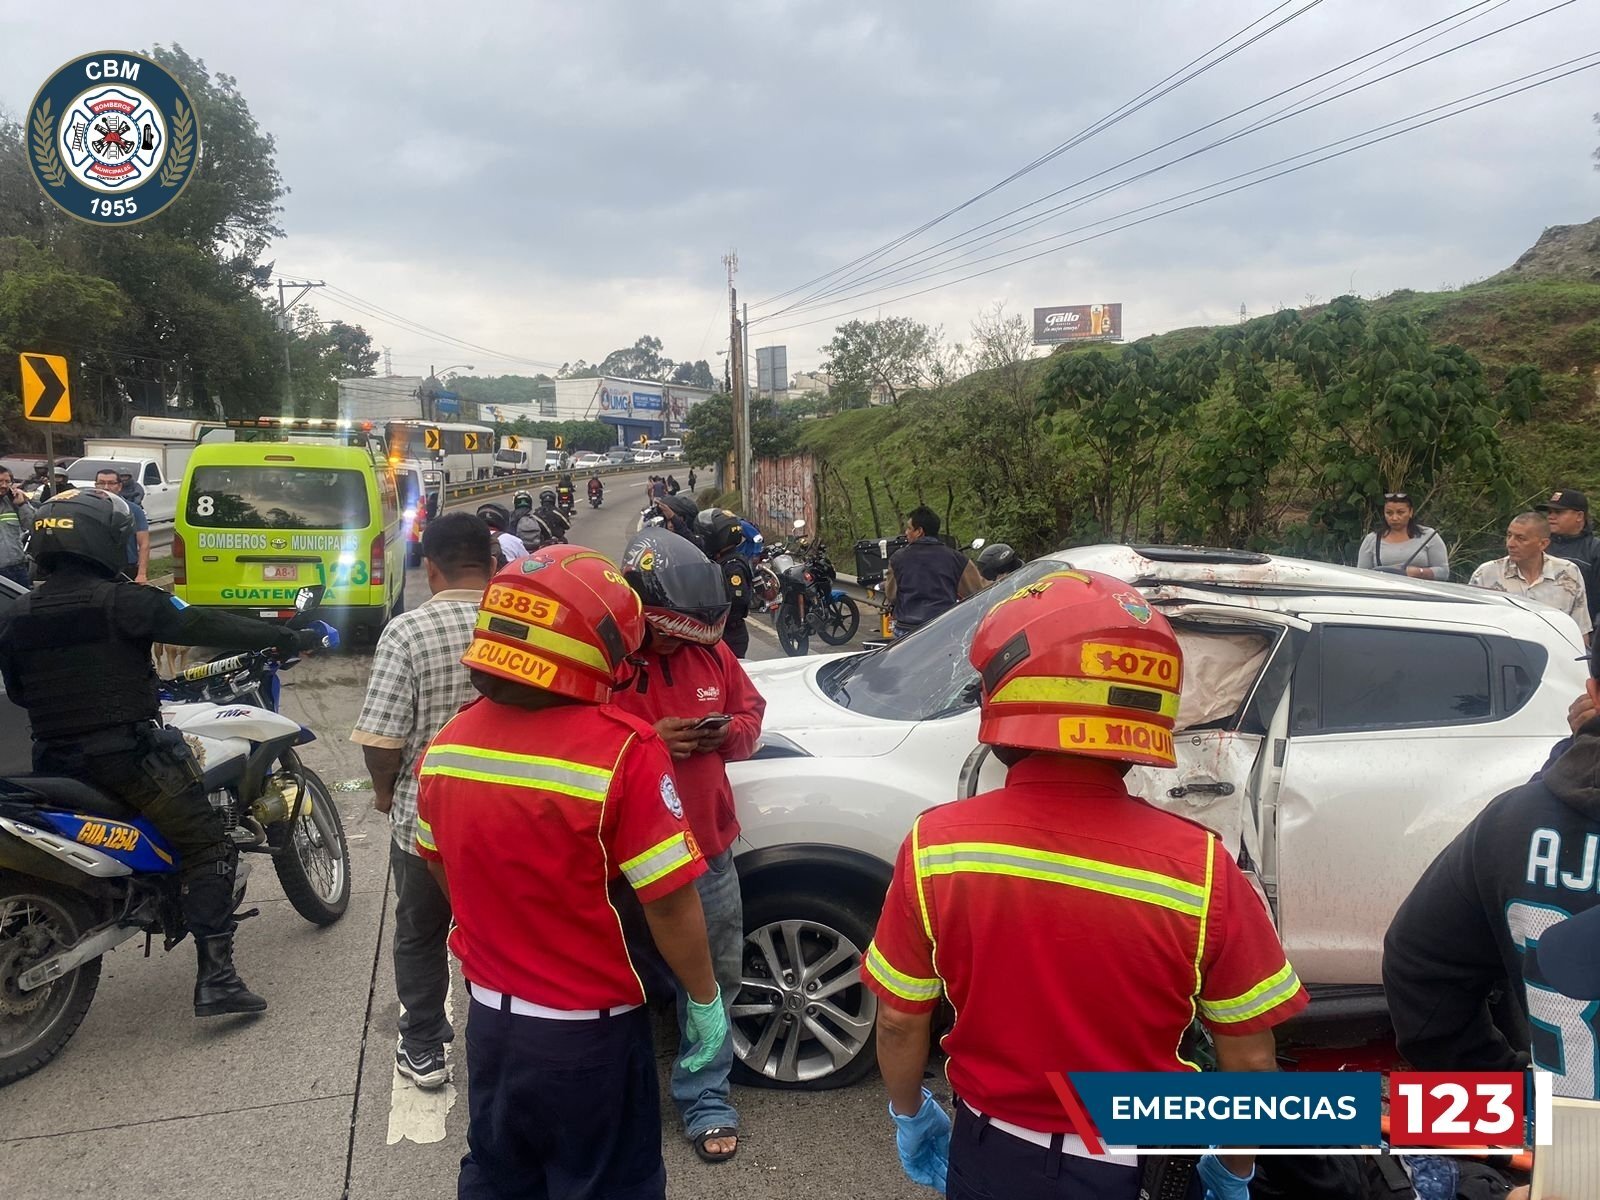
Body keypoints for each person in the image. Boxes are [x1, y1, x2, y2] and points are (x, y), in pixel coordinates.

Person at [864, 569, 1308, 1198]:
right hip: (1135, 1164)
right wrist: (1233, 1167)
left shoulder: (938, 847)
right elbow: (1251, 1057)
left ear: (1005, 700)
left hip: (990, 1153)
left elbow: (899, 1021)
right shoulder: (1203, 869)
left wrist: (910, 1116)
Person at [415, 544, 726, 1199]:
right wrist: (703, 1000)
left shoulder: (446, 748)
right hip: (591, 1037)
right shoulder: (626, 753)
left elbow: (442, 869)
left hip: (492, 1026)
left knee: (502, 1177)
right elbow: (669, 903)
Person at [0, 488, 325, 1016]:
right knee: (209, 845)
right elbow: (204, 625)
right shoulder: (126, 602)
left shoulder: (19, 612)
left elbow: (18, 691)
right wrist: (285, 638)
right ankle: (218, 979)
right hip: (127, 758)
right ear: (106, 541)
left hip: (54, 761)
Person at [613, 529, 765, 1165]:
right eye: (670, 632)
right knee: (617, 983)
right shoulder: (609, 663)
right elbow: (572, 734)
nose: (679, 644)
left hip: (706, 851)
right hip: (621, 861)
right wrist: (650, 740)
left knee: (713, 978)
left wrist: (726, 731)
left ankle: (705, 1094)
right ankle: (612, 1095)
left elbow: (753, 717)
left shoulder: (714, 658)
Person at [352, 512, 492, 1091]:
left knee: (420, 934)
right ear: (491, 565)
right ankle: (499, 1042)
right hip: (507, 818)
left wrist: (386, 792)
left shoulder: (407, 632)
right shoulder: (516, 623)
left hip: (425, 822)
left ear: (430, 568)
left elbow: (383, 739)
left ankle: (425, 1049)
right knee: (499, 936)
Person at [1469, 512, 1592, 644]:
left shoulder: (1568, 573)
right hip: (1501, 656)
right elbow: (1470, 624)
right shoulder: (1487, 574)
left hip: (1554, 657)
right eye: (1509, 535)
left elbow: (1580, 631)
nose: (1510, 544)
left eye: (1521, 538)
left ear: (1543, 544)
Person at [884, 505, 982, 636]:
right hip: (942, 629)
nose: (906, 532)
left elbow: (891, 595)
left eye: (909, 528)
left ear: (919, 531)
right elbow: (975, 592)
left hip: (906, 631)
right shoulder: (957, 559)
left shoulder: (897, 559)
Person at [1539, 488, 1600, 626]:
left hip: (1579, 631)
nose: (1551, 516)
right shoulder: (1538, 544)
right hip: (1537, 625)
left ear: (1579, 516)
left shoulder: (1595, 550)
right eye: (1549, 512)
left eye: (1558, 512)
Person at [696, 508, 752, 659]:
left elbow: (737, 601)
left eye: (705, 537)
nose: (703, 541)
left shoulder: (732, 566)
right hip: (720, 633)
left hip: (730, 635)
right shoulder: (721, 560)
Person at [1356, 491, 1449, 580]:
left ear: (1410, 512)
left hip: (1421, 593)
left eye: (1400, 512)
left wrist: (1418, 572)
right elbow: (1362, 575)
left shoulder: (1429, 536)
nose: (1394, 518)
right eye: (1389, 513)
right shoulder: (1372, 540)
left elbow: (1443, 572)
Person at [95, 467, 148, 584]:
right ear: (95, 486)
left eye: (111, 483)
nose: (106, 487)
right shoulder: (90, 509)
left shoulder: (134, 510)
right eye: (101, 483)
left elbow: (144, 544)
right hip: (99, 568)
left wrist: (142, 574)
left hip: (127, 569)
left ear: (119, 487)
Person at [0, 466, 36, 587]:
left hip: (18, 567)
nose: (4, 486)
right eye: (0, 481)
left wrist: (22, 504)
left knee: (23, 603)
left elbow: (33, 525)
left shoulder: (13, 502)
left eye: (7, 482)